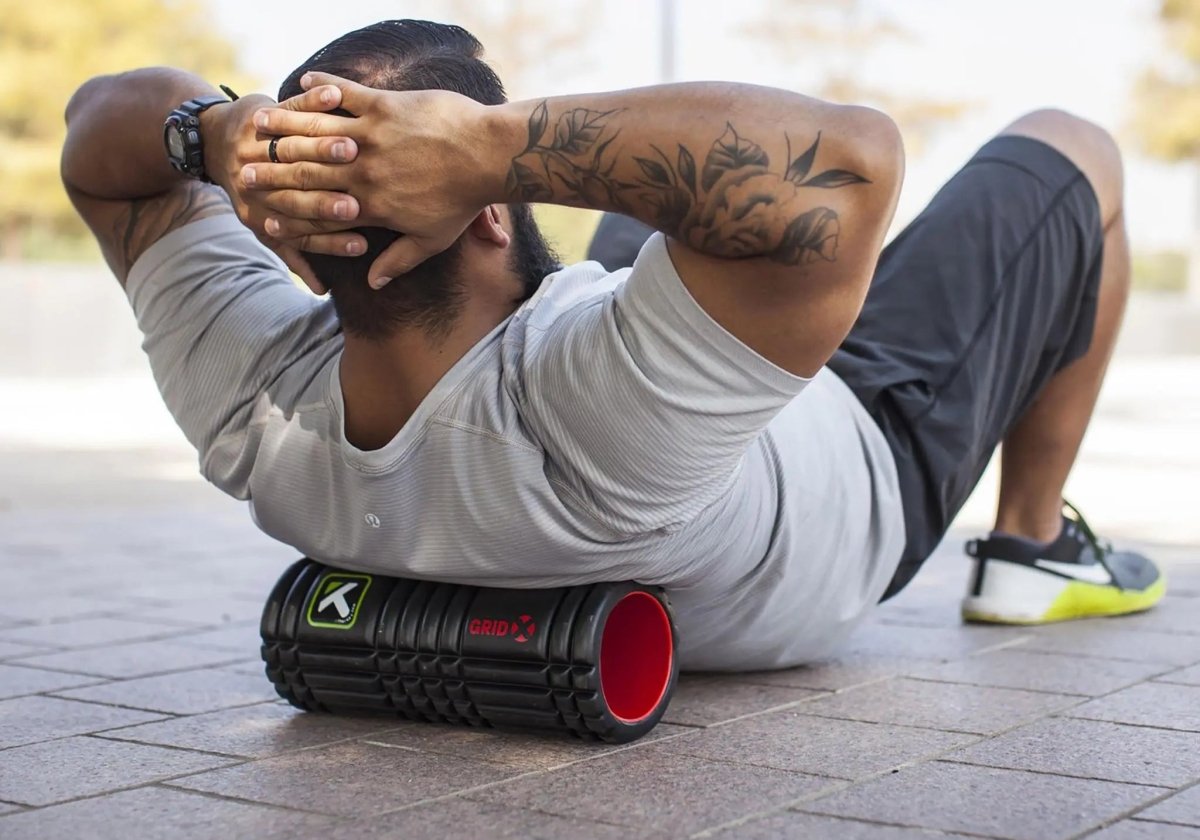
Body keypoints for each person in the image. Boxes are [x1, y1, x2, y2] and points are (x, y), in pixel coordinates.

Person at [61, 19, 1161, 672]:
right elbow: (850, 162)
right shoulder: (586, 406)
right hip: (859, 451)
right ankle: (1032, 547)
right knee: (1074, 148)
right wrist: (492, 146)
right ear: (488, 213)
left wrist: (214, 131)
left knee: (658, 214)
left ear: (289, 242)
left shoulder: (252, 400)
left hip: (667, 438)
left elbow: (96, 140)